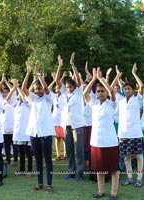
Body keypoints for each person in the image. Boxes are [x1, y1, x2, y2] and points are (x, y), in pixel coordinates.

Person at [83, 67, 120, 200]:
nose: (100, 93)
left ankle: (114, 193)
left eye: (102, 91)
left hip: (110, 142)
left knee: (114, 169)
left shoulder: (112, 104)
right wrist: (93, 79)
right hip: (96, 142)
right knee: (99, 169)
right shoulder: (94, 105)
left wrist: (101, 79)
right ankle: (100, 191)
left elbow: (111, 91)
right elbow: (85, 94)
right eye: (98, 91)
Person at [22, 61, 55, 194]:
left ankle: (49, 184)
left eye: (39, 89)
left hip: (46, 133)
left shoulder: (48, 98)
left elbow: (47, 89)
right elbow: (24, 89)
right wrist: (29, 73)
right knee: (38, 159)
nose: (38, 91)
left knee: (47, 159)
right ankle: (40, 183)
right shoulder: (33, 99)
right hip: (34, 133)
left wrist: (39, 74)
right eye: (36, 89)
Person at [55, 53, 86, 182]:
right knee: (69, 149)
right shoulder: (63, 94)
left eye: (71, 87)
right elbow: (57, 81)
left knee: (78, 149)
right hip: (66, 124)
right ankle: (71, 171)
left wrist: (72, 64)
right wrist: (60, 66)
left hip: (77, 124)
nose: (69, 88)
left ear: (74, 87)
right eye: (67, 87)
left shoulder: (78, 92)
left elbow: (78, 79)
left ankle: (80, 173)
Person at [118, 63, 144, 188]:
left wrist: (134, 73)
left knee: (138, 155)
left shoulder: (138, 99)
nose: (127, 90)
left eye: (129, 89)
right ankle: (129, 178)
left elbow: (142, 87)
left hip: (136, 132)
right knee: (126, 156)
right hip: (123, 133)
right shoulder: (121, 101)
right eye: (125, 89)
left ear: (133, 90)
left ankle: (139, 178)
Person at [6, 79, 32, 176]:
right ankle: (21, 170)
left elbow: (24, 97)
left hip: (25, 132)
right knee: (21, 152)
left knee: (28, 152)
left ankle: (29, 170)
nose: (19, 97)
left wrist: (18, 87)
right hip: (18, 131)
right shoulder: (17, 104)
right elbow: (7, 99)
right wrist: (14, 88)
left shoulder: (27, 104)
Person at [0, 74, 18, 166]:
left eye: (7, 92)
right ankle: (8, 160)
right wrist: (2, 81)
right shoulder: (1, 100)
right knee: (7, 146)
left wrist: (7, 82)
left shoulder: (13, 98)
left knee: (14, 145)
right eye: (4, 92)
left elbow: (15, 89)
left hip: (13, 126)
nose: (5, 94)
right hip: (4, 128)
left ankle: (16, 160)